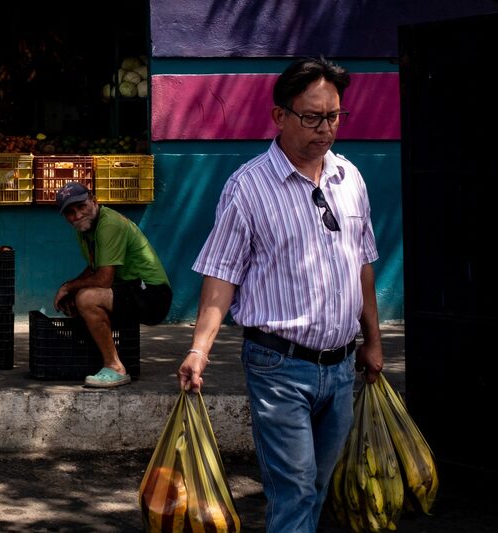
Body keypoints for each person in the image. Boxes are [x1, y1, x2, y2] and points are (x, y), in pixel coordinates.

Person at [176, 56, 384, 532]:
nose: (325, 128)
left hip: (340, 367)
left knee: (317, 487)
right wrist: (198, 350)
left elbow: (363, 268)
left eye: (333, 116)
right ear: (280, 116)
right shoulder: (247, 188)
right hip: (278, 366)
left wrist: (372, 343)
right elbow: (221, 276)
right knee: (294, 488)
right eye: (311, 117)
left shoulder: (350, 179)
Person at [54, 182, 172, 388]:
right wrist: (71, 289)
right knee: (78, 299)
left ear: (94, 200)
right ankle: (101, 358)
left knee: (87, 298)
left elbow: (103, 280)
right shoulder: (85, 229)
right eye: (70, 212)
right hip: (131, 289)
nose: (77, 215)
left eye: (81, 206)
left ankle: (115, 367)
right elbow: (94, 268)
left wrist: (68, 287)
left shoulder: (109, 224)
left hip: (152, 294)